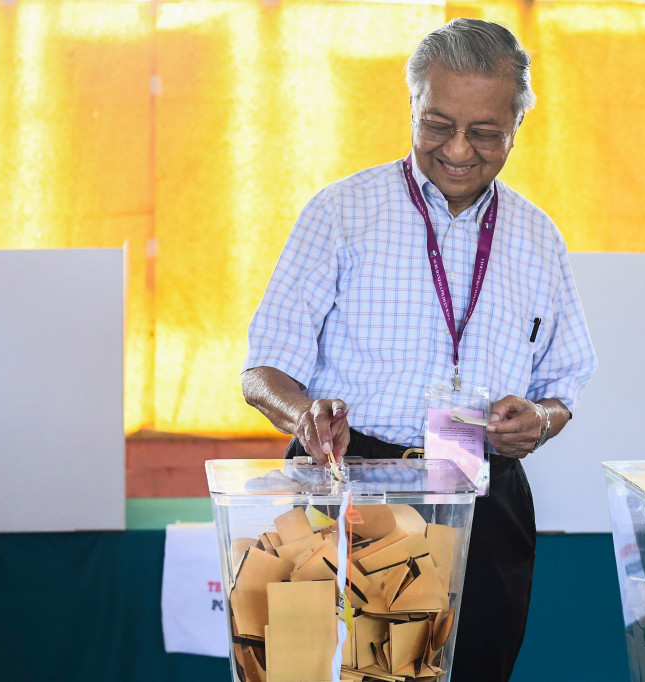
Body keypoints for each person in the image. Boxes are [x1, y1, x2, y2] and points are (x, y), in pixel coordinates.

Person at [242, 18, 596, 681]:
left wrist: (538, 421)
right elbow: (263, 368)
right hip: (349, 482)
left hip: (482, 497)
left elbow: (565, 382)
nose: (458, 149)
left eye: (485, 132)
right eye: (438, 124)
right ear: (412, 107)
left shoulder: (538, 237)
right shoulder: (341, 213)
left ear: (516, 126)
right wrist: (304, 415)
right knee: (333, 673)